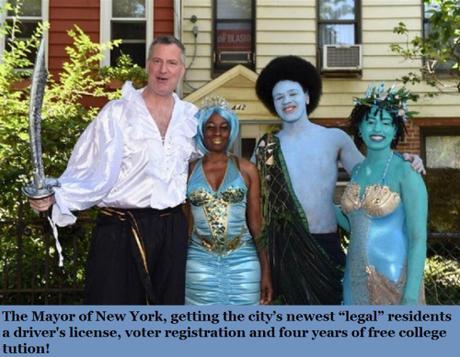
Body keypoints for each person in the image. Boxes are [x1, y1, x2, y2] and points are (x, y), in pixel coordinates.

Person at [29, 36, 198, 305]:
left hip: (171, 232)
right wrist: (55, 195)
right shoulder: (118, 113)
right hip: (120, 230)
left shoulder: (190, 118)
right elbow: (85, 167)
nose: (163, 70)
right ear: (147, 65)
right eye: (157, 61)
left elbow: (201, 167)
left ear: (182, 69)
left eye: (171, 63)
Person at [254, 55, 425, 305]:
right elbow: (250, 192)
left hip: (326, 246)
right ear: (273, 104)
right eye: (279, 98)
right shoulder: (265, 147)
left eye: (292, 94)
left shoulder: (334, 138)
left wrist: (403, 159)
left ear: (307, 96)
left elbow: (371, 172)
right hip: (283, 249)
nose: (287, 101)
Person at [336, 83, 427, 305]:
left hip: (395, 278)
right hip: (354, 279)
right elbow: (355, 224)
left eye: (386, 123)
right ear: (359, 128)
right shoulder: (357, 171)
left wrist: (411, 294)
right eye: (370, 122)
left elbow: (418, 238)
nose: (377, 129)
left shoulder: (407, 172)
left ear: (396, 129)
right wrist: (317, 204)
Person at [185, 97, 272, 305]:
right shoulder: (186, 170)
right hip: (198, 263)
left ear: (231, 131)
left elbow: (257, 225)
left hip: (244, 262)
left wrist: (266, 272)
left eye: (224, 128)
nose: (217, 133)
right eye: (210, 127)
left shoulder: (247, 170)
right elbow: (184, 224)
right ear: (201, 130)